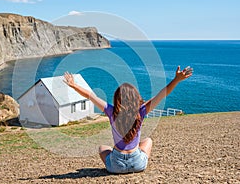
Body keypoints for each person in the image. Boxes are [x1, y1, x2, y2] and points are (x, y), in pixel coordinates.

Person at [63, 66, 193, 174]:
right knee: (148, 141)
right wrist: (176, 79)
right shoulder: (141, 111)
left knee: (103, 148)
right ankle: (136, 161)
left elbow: (90, 95)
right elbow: (162, 94)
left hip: (116, 166)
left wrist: (73, 85)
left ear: (117, 99)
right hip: (138, 164)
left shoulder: (111, 111)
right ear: (135, 98)